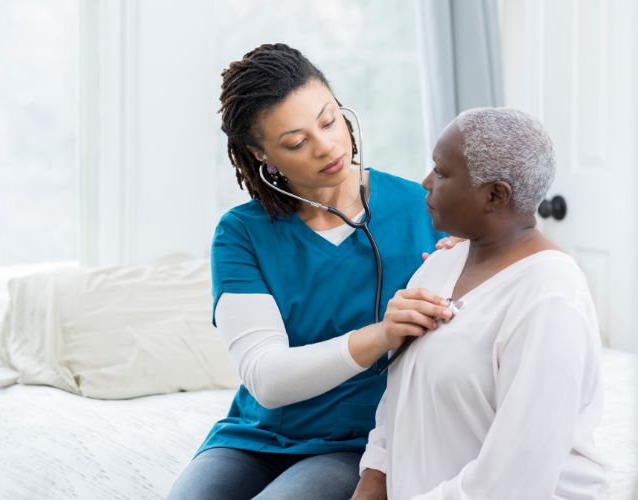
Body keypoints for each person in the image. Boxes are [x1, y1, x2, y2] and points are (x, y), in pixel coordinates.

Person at [168, 43, 455, 500]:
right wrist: (383, 333)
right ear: (263, 156)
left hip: (360, 445)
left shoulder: (426, 209)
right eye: (296, 142)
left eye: (328, 120)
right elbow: (268, 379)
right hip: (255, 439)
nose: (327, 147)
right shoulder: (242, 233)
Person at [353, 108, 607, 500]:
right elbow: (398, 409)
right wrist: (370, 487)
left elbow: (512, 483)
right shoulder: (438, 265)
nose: (425, 182)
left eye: (441, 172)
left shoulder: (550, 299)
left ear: (495, 195)